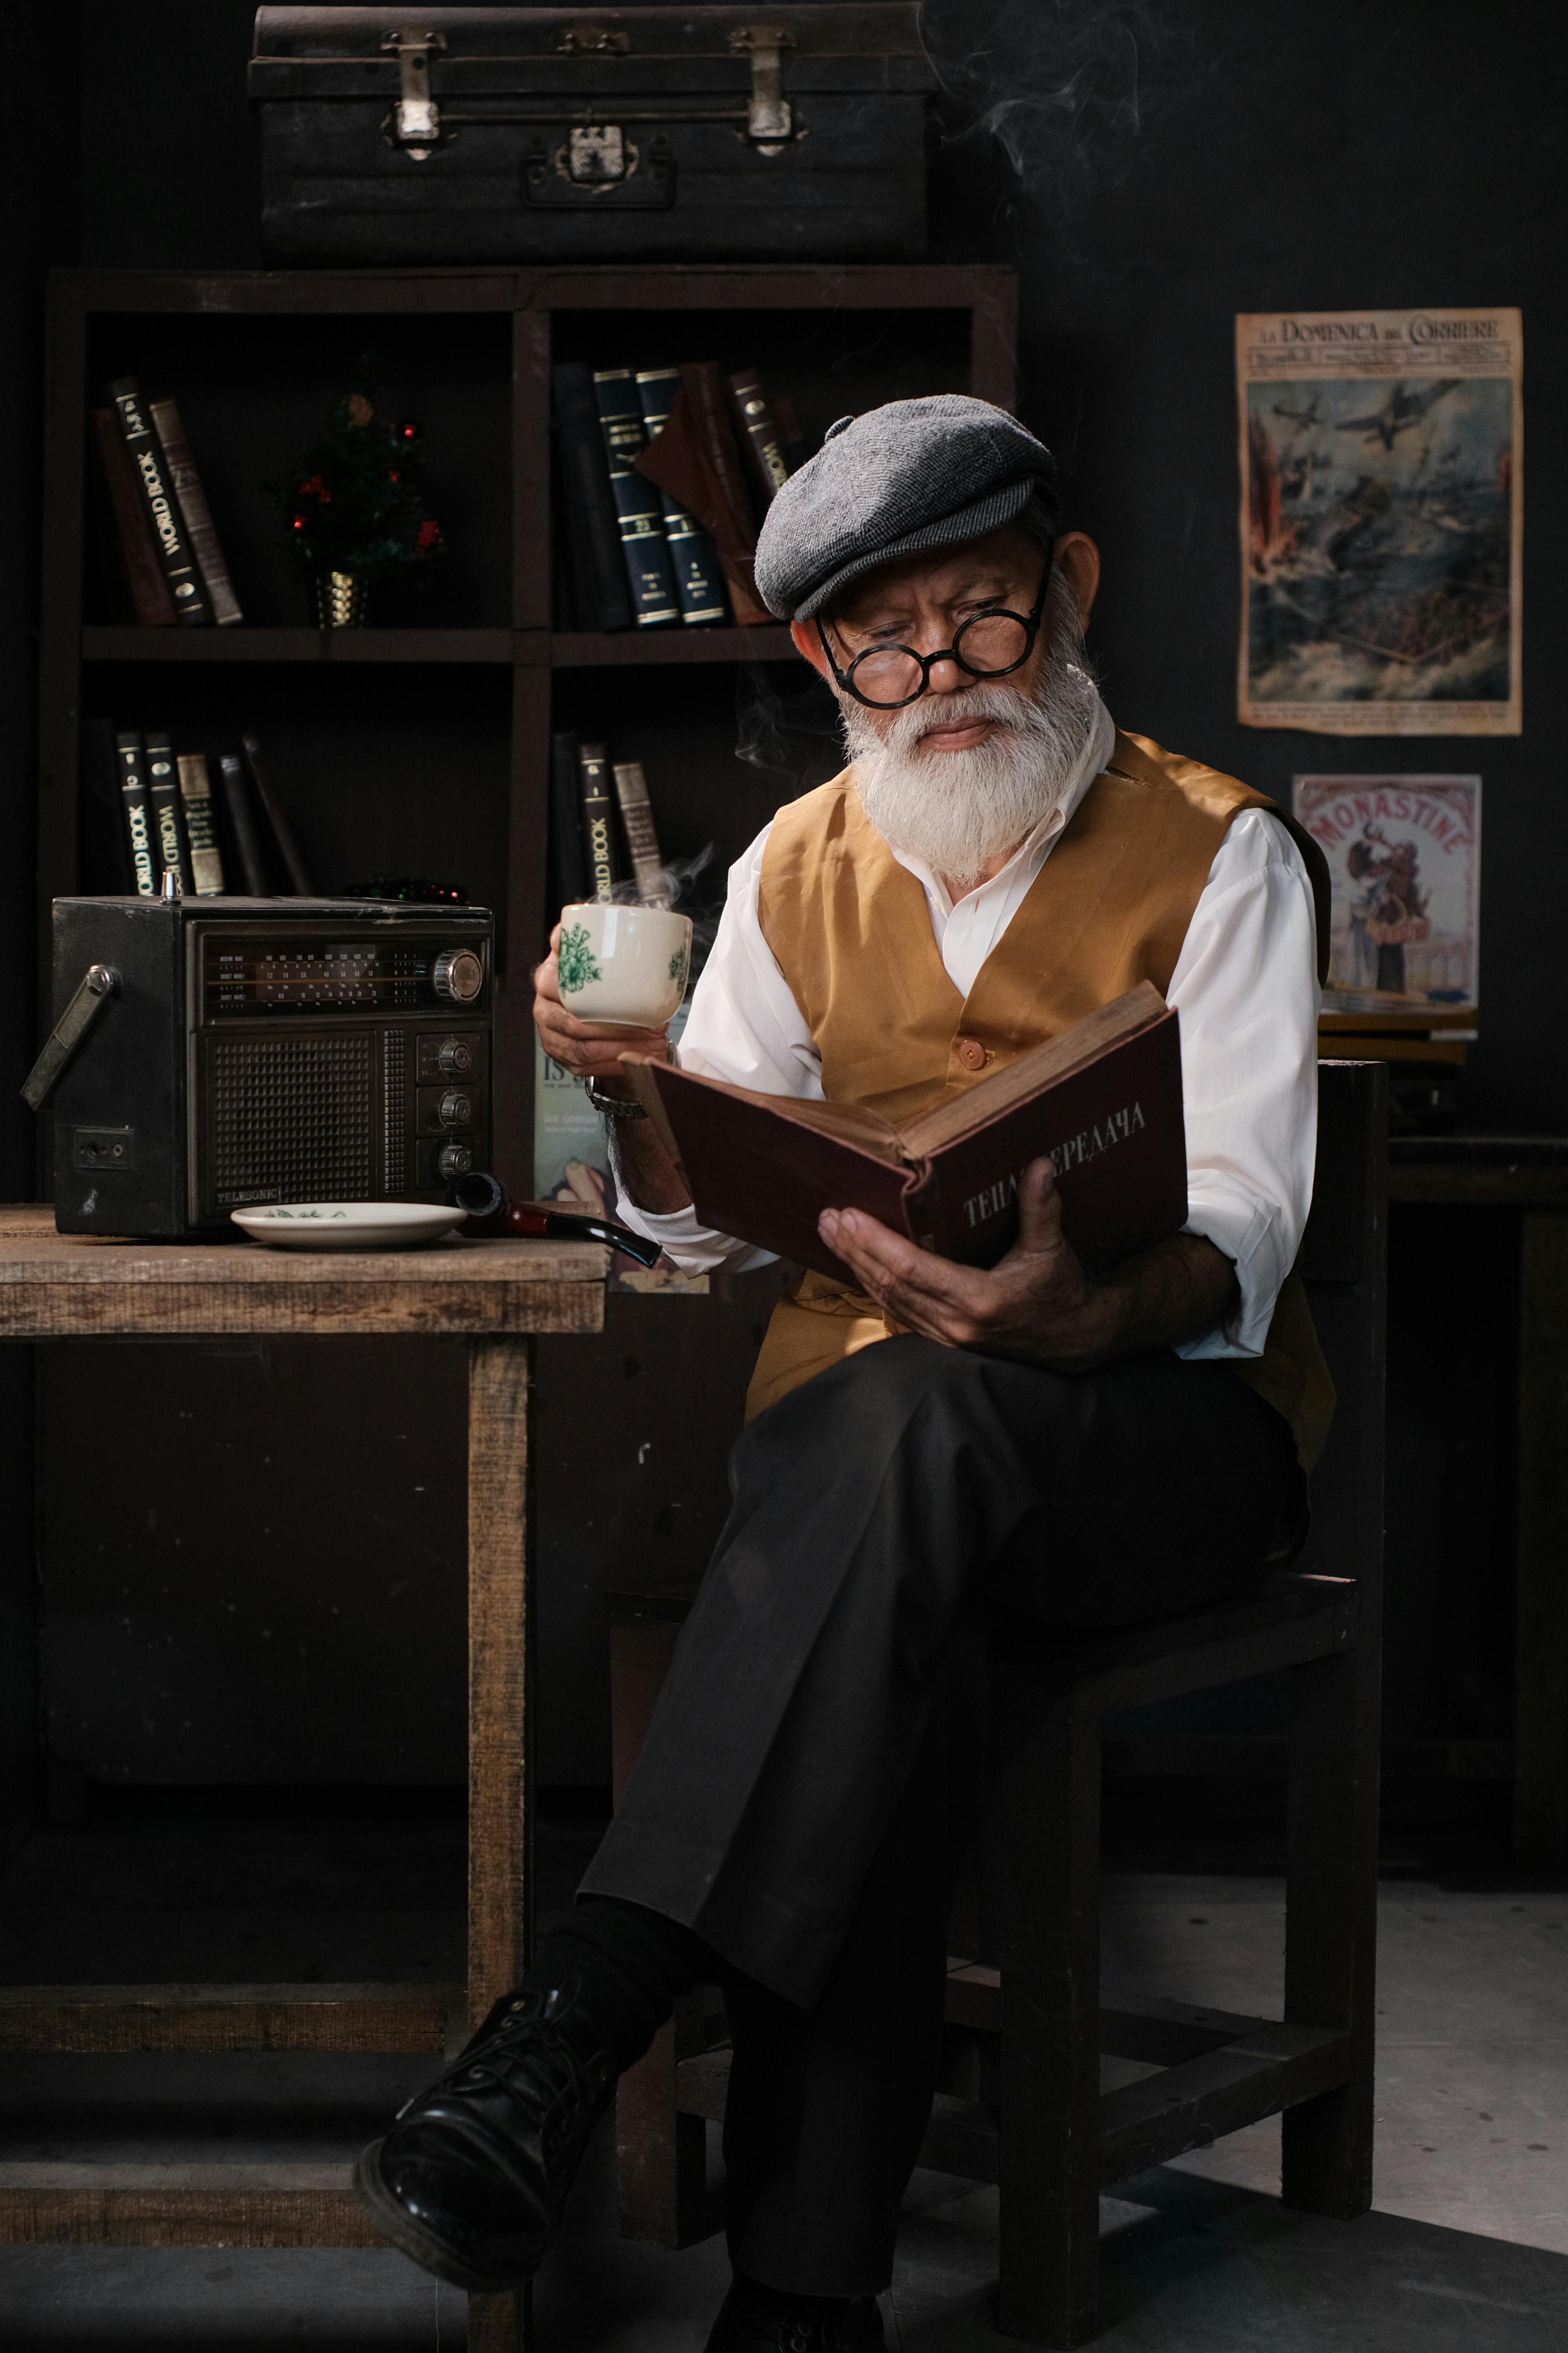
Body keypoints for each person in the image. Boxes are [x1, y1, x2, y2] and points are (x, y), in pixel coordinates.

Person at [354, 396, 1333, 2350]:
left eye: (982, 618)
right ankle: (802, 2300)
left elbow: (1242, 1222)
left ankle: (575, 2019)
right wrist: (632, 1112)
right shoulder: (795, 865)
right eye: (881, 646)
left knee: (892, 1456)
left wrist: (1083, 1308)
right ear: (824, 663)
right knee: (896, 1594)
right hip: (880, 1496)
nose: (939, 678)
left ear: (1067, 589)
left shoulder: (1222, 848)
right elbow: (705, 1222)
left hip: (1161, 1443)